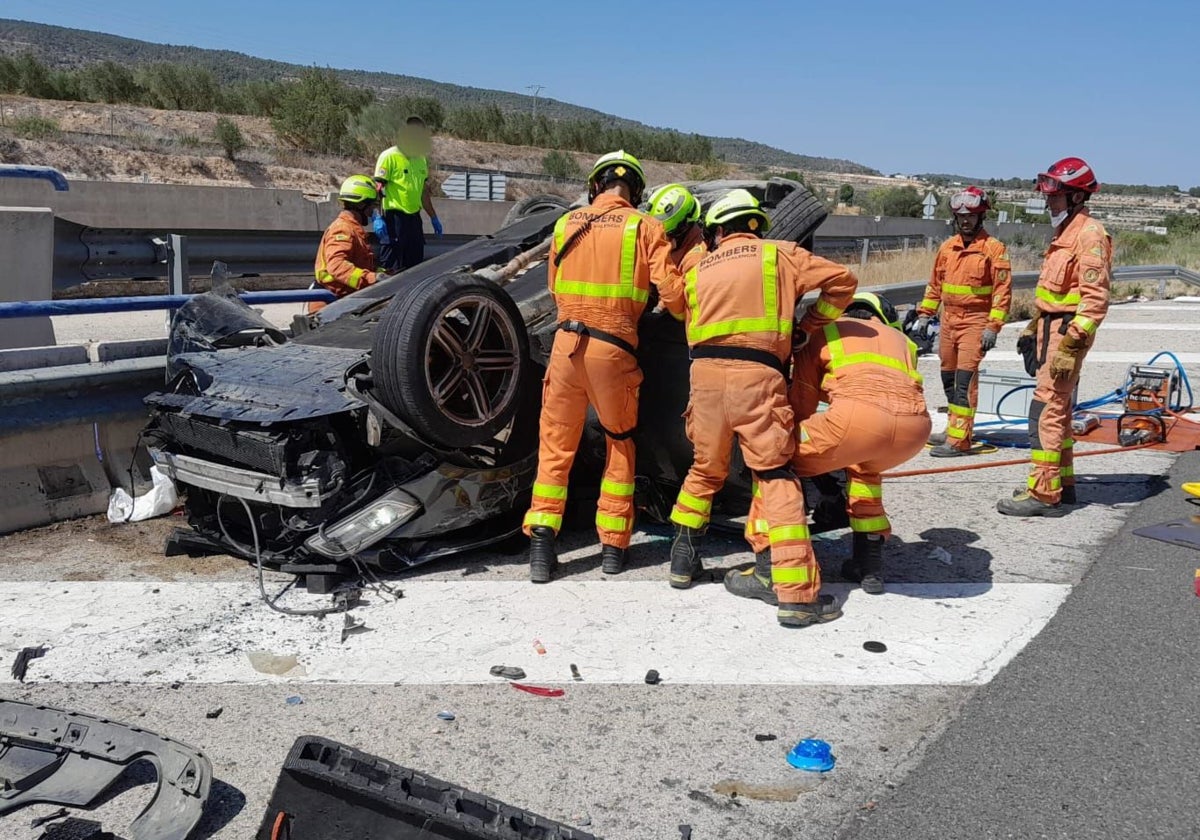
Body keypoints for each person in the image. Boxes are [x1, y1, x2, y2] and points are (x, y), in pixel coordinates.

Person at [667, 189, 857, 628]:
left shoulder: (696, 265)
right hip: (758, 377)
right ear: (755, 224)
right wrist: (809, 325)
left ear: (717, 229)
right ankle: (794, 595)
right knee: (774, 475)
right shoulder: (780, 255)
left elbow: (680, 309)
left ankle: (682, 562)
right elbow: (843, 282)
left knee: (704, 470)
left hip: (705, 379)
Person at [523, 151, 684, 582]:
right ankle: (613, 548)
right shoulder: (645, 226)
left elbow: (555, 287)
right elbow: (673, 296)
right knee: (619, 442)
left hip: (565, 346)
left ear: (595, 186)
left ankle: (542, 544)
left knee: (556, 446)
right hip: (613, 352)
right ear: (636, 190)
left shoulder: (566, 224)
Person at [741, 292, 930, 594]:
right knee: (865, 470)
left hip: (857, 422)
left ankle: (768, 565)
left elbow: (801, 405)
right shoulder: (901, 341)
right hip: (915, 431)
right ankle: (869, 566)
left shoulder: (823, 333)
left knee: (773, 457)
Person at [998, 157, 1111, 517]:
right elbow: (1055, 292)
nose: (1050, 202)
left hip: (1066, 333)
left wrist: (1072, 345)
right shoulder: (1066, 232)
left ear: (1077, 197)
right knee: (1057, 412)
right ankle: (1064, 484)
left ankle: (1044, 494)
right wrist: (1034, 326)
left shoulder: (1090, 235)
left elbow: (1094, 302)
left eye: (1057, 197)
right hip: (1052, 327)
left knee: (1045, 410)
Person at [916, 186, 1012, 456]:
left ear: (981, 217)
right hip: (949, 321)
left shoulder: (994, 250)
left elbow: (1002, 292)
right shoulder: (948, 248)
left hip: (975, 322)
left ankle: (960, 441)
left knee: (964, 381)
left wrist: (993, 327)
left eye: (970, 216)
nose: (965, 221)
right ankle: (954, 429)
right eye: (961, 217)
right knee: (948, 377)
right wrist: (925, 313)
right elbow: (935, 284)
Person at [374, 116, 441, 272]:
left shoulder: (421, 160)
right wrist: (377, 217)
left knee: (415, 268)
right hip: (394, 218)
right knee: (391, 268)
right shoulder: (389, 156)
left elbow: (423, 191)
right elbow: (377, 189)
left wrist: (433, 217)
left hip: (414, 220)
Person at [310, 175, 380, 313]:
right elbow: (337, 266)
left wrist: (383, 274)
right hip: (330, 304)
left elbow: (359, 264)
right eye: (372, 205)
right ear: (361, 205)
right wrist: (372, 278)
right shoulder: (343, 229)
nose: (373, 211)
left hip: (344, 300)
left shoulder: (353, 229)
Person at [647, 183, 706, 273]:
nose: (661, 239)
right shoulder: (676, 249)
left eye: (667, 234)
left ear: (683, 228)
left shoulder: (695, 260)